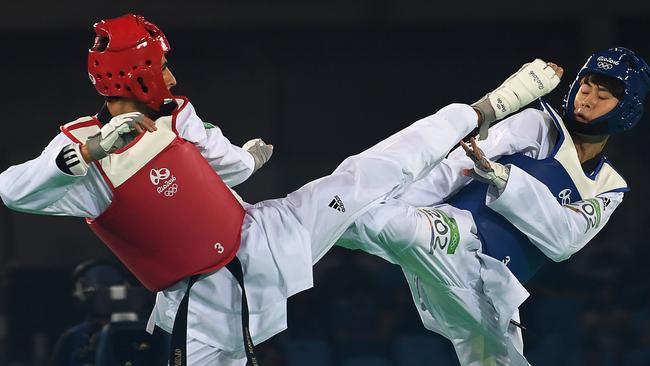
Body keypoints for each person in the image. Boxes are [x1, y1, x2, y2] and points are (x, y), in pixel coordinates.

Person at [0, 13, 562, 365]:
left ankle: (489, 106)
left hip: (268, 234)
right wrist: (90, 152)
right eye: (162, 67)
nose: (172, 79)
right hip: (199, 306)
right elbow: (11, 190)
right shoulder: (79, 158)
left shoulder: (180, 115)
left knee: (366, 173)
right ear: (136, 71)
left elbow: (231, 170)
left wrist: (246, 156)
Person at [337, 47, 650, 365]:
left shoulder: (609, 187)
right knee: (375, 221)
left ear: (624, 110)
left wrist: (505, 178)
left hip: (494, 294)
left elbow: (563, 240)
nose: (588, 99)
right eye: (586, 87)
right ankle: (290, 218)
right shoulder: (537, 125)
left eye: (603, 95)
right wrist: (396, 202)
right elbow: (453, 168)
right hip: (457, 239)